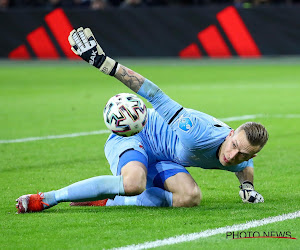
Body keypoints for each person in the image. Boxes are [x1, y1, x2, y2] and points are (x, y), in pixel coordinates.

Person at [16, 27, 268, 213]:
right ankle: (49, 197)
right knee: (135, 183)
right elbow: (153, 94)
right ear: (230, 133)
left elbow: (244, 168)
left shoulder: (239, 157)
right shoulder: (195, 130)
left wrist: (246, 188)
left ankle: (111, 199)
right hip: (136, 135)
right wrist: (105, 63)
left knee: (190, 197)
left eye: (243, 154)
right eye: (234, 146)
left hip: (164, 157)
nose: (233, 155)